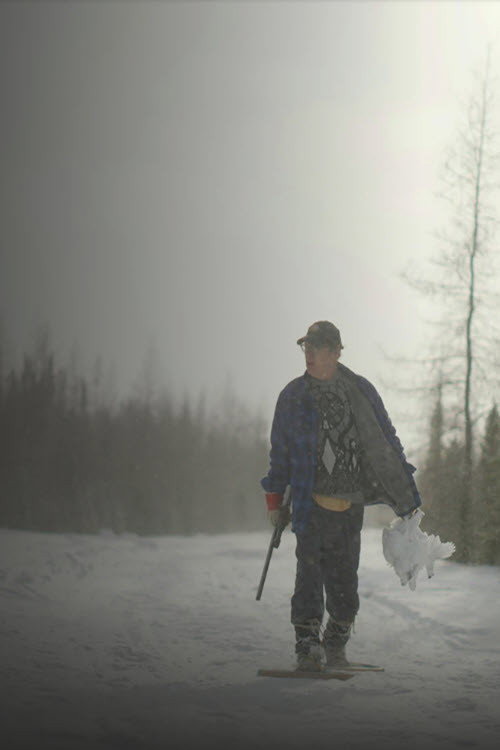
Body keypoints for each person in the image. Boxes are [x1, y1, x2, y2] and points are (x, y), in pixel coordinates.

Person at [261, 321, 421, 671]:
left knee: (345, 579)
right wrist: (274, 499)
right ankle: (307, 647)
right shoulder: (293, 395)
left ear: (335, 352)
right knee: (309, 574)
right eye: (306, 346)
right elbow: (280, 451)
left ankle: (335, 643)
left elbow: (385, 440)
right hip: (309, 501)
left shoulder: (360, 391)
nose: (309, 353)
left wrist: (406, 493)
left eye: (316, 347)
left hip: (350, 504)